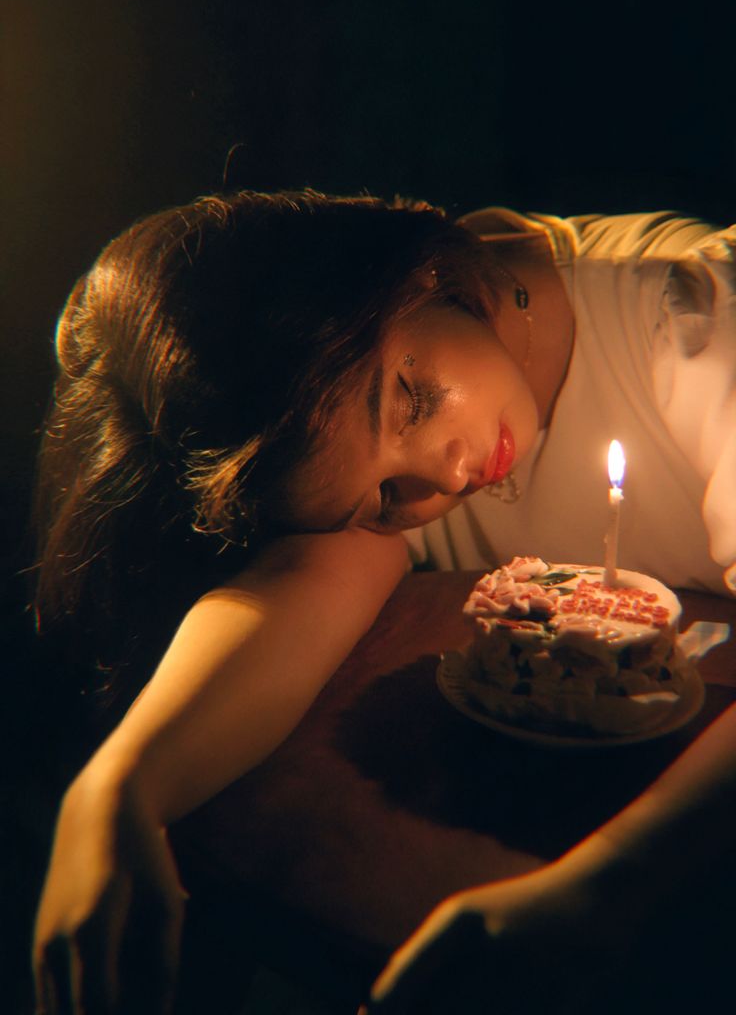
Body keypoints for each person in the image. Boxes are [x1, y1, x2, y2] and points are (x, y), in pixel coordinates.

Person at [31, 189, 735, 1014]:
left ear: (421, 276)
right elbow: (300, 587)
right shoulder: (398, 393)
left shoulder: (698, 329)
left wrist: (608, 888)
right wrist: (117, 789)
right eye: (382, 496)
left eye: (409, 402)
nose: (443, 477)